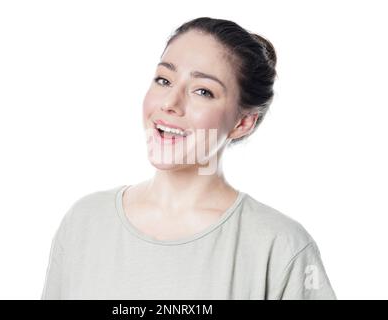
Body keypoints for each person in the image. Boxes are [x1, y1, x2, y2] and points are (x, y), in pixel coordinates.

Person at [41, 17, 337, 300]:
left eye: (203, 91)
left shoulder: (280, 247)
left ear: (242, 122)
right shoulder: (85, 222)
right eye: (164, 80)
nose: (170, 103)